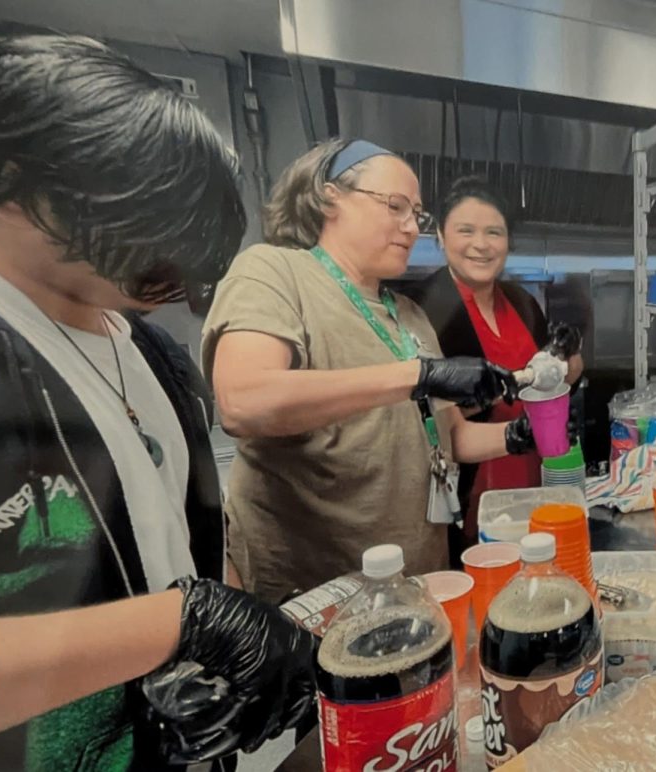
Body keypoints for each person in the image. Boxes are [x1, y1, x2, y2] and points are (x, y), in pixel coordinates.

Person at [0, 36, 314, 771]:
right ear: (10, 175)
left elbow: (174, 546)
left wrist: (208, 669)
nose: (179, 272)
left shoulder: (153, 354)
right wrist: (182, 624)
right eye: (146, 221)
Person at [203, 140, 552, 604]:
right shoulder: (274, 272)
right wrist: (418, 376)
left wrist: (519, 436)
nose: (411, 227)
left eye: (417, 214)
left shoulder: (407, 314)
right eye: (395, 206)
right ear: (331, 198)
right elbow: (244, 402)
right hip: (318, 593)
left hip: (419, 581)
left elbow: (452, 438)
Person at [404, 176, 584, 554]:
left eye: (494, 232)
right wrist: (514, 422)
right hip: (468, 483)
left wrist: (568, 352)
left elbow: (559, 377)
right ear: (440, 234)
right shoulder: (420, 309)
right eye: (465, 230)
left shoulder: (521, 301)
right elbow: (423, 418)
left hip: (531, 471)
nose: (481, 245)